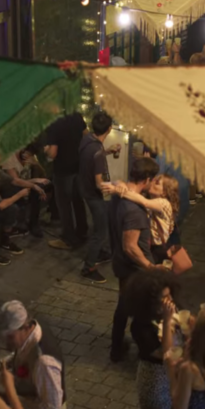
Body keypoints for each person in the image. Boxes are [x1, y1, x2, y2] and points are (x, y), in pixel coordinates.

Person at [109, 157, 162, 362]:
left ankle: (116, 347)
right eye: (153, 180)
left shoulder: (118, 196)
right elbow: (130, 247)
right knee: (142, 312)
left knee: (123, 306)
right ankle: (146, 353)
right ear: (146, 180)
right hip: (134, 269)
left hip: (122, 265)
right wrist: (150, 267)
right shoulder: (134, 211)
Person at [124, 268, 181, 409]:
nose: (169, 301)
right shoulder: (141, 327)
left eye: (170, 295)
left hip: (173, 379)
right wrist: (168, 319)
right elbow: (166, 354)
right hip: (156, 385)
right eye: (163, 298)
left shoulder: (169, 310)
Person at [0, 300, 67, 409]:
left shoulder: (44, 362)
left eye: (10, 337)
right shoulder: (32, 330)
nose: (6, 343)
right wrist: (7, 362)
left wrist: (13, 396)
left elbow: (52, 406)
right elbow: (24, 352)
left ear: (24, 327)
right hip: (32, 406)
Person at [78, 112, 119, 283]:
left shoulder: (88, 140)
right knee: (100, 232)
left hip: (84, 188)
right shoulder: (96, 151)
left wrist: (107, 151)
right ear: (109, 129)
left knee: (100, 227)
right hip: (93, 195)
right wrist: (117, 188)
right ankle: (88, 267)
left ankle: (100, 253)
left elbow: (93, 157)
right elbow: (98, 183)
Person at [104, 174, 179, 265]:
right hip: (151, 245)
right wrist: (120, 184)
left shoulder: (164, 203)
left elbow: (144, 202)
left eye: (157, 183)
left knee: (156, 272)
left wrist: (117, 190)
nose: (152, 183)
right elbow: (123, 185)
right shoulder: (150, 197)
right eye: (153, 180)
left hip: (158, 248)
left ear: (164, 192)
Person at [45, 113, 89, 250]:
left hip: (62, 171)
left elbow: (53, 153)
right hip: (77, 167)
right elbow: (86, 136)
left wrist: (45, 149)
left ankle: (68, 239)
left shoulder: (53, 122)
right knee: (78, 201)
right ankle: (82, 232)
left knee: (64, 206)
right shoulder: (76, 115)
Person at [0, 148, 50, 238]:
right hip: (14, 186)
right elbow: (15, 181)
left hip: (25, 183)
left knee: (47, 184)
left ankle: (36, 221)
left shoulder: (28, 153)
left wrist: (36, 164)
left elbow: (43, 174)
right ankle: (32, 225)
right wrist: (33, 183)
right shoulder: (9, 158)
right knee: (35, 190)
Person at [0, 166, 32, 256]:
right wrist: (20, 194)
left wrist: (34, 185)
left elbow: (15, 180)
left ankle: (5, 238)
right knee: (10, 208)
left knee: (12, 207)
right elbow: (1, 205)